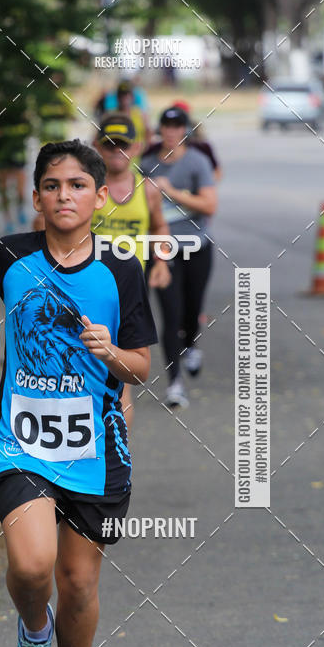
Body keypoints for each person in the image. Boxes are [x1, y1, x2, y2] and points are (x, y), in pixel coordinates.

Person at [0, 139, 157, 647]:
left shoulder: (122, 269)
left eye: (77, 185)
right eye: (52, 185)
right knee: (31, 566)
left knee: (76, 583)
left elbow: (143, 367)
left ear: (102, 197)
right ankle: (33, 631)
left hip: (97, 450)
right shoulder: (10, 255)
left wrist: (111, 355)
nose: (63, 196)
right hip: (22, 440)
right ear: (36, 195)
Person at [93, 113, 171, 432]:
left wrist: (162, 261)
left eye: (123, 145)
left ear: (136, 147)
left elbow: (160, 226)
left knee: (123, 378)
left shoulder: (147, 189)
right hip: (88, 286)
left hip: (128, 292)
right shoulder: (87, 188)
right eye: (110, 145)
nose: (116, 152)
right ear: (98, 148)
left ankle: (117, 456)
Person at [139, 106, 217, 409]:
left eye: (177, 126)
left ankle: (192, 344)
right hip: (163, 250)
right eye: (166, 126)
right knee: (170, 316)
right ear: (160, 130)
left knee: (191, 310)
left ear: (185, 129)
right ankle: (175, 384)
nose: (171, 131)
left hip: (197, 247)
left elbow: (210, 206)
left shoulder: (198, 162)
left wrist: (172, 191)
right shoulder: (146, 164)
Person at [146, 99, 222, 181]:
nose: (171, 132)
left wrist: (201, 181)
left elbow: (217, 174)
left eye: (177, 126)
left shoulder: (202, 147)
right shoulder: (154, 149)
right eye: (168, 125)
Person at [96, 79, 150, 146]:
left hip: (137, 155)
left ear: (132, 97)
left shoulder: (141, 114)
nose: (124, 98)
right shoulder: (109, 115)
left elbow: (148, 133)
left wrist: (144, 151)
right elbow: (98, 136)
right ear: (117, 97)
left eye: (127, 95)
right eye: (122, 95)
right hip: (116, 153)